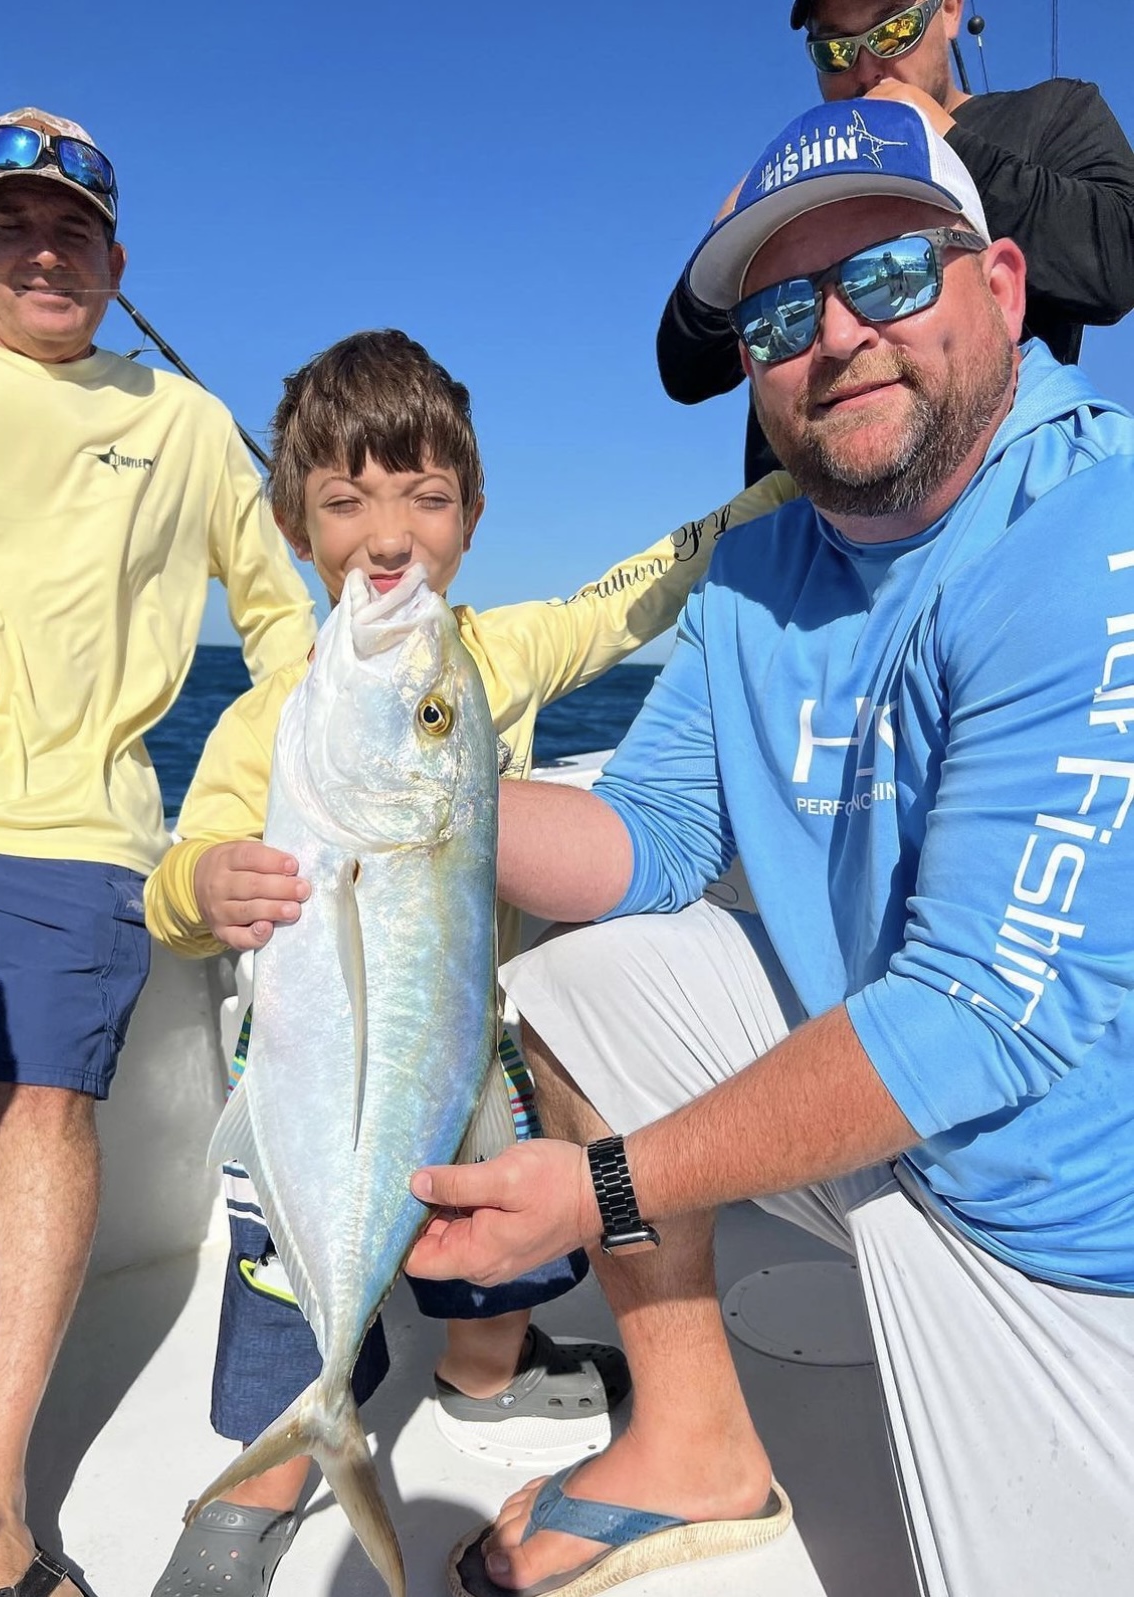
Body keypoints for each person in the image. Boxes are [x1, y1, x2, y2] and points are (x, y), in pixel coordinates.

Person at [405, 98, 1134, 1597]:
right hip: (889, 1130)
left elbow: (967, 1022)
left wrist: (597, 1190)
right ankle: (689, 1444)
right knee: (585, 982)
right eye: (783, 309)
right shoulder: (758, 566)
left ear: (998, 288)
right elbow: (656, 838)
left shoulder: (1092, 526)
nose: (837, 335)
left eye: (886, 276)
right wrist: (412, 803)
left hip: (1078, 1235)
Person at [142, 328, 794, 1597]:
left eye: (425, 498)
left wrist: (780, 492)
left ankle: (486, 1378)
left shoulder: (490, 658)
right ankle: (264, 1485)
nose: (388, 537)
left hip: (470, 1051)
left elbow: (645, 586)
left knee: (497, 1244)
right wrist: (200, 882)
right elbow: (177, 883)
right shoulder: (272, 714)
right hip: (308, 1074)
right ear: (294, 526)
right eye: (345, 501)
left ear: (474, 515)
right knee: (290, 1291)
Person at [0, 109, 316, 1597]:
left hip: (78, 831)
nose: (41, 251)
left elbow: (286, 622)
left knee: (43, 1109)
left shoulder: (181, 422)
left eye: (72, 232)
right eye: (11, 226)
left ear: (116, 259)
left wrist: (268, 792)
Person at [657, 0, 1134, 483]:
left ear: (948, 12)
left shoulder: (1052, 115)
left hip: (992, 498)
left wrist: (944, 139)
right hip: (803, 528)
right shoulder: (803, 178)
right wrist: (732, 222)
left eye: (894, 31)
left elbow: (1118, 263)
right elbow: (686, 369)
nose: (866, 68)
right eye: (835, 51)